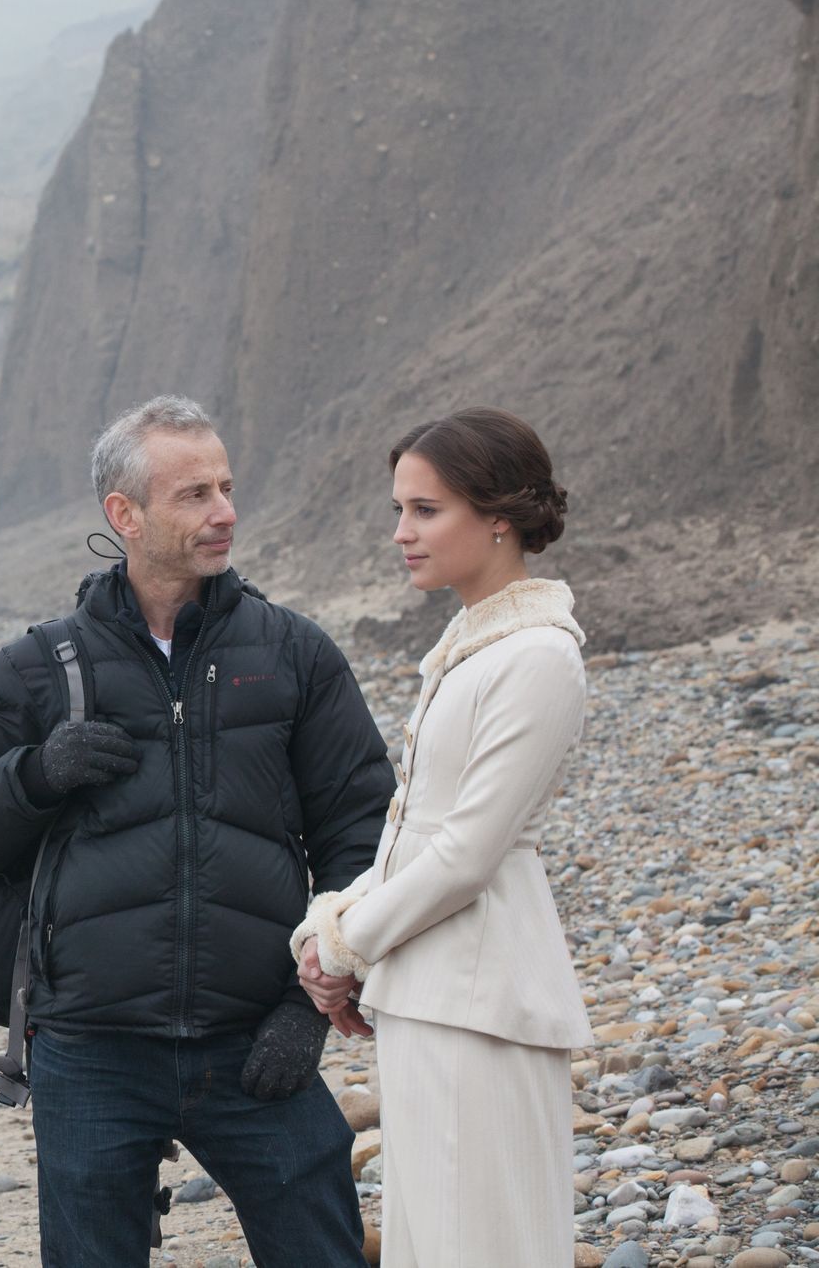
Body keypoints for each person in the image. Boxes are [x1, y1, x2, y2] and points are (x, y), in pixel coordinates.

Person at [0, 395, 394, 1267]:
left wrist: (305, 1007)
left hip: (257, 1039)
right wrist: (37, 774)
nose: (225, 512)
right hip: (90, 1049)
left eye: (227, 486)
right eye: (195, 494)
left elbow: (360, 839)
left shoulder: (294, 653)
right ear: (123, 515)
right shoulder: (39, 665)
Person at [293, 406, 594, 1267]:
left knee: (482, 1244)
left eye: (425, 510)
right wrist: (335, 926)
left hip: (481, 996)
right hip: (434, 987)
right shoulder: (473, 642)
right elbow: (413, 828)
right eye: (400, 509)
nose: (401, 533)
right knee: (435, 1242)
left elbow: (467, 853)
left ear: (498, 514)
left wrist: (346, 944)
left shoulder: (537, 655)